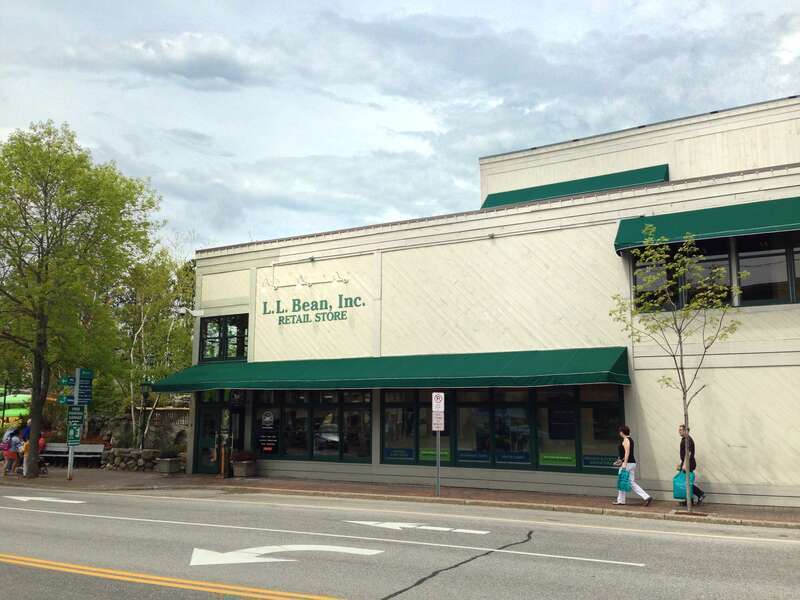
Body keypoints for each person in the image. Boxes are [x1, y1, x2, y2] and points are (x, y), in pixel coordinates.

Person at [614, 424, 653, 506]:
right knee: (631, 482)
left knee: (622, 480)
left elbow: (627, 452)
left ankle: (620, 500)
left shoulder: (626, 440)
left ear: (622, 432)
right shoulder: (630, 439)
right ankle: (646, 497)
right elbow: (624, 454)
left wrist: (624, 464)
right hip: (631, 463)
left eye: (620, 431)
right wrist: (620, 461)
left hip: (627, 464)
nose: (619, 433)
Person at [677, 424, 705, 506]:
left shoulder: (687, 440)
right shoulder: (685, 439)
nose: (679, 431)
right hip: (687, 462)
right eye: (679, 430)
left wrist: (685, 465)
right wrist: (681, 464)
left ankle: (700, 494)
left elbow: (688, 453)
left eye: (681, 430)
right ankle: (690, 500)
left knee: (687, 482)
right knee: (686, 482)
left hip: (689, 463)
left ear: (686, 431)